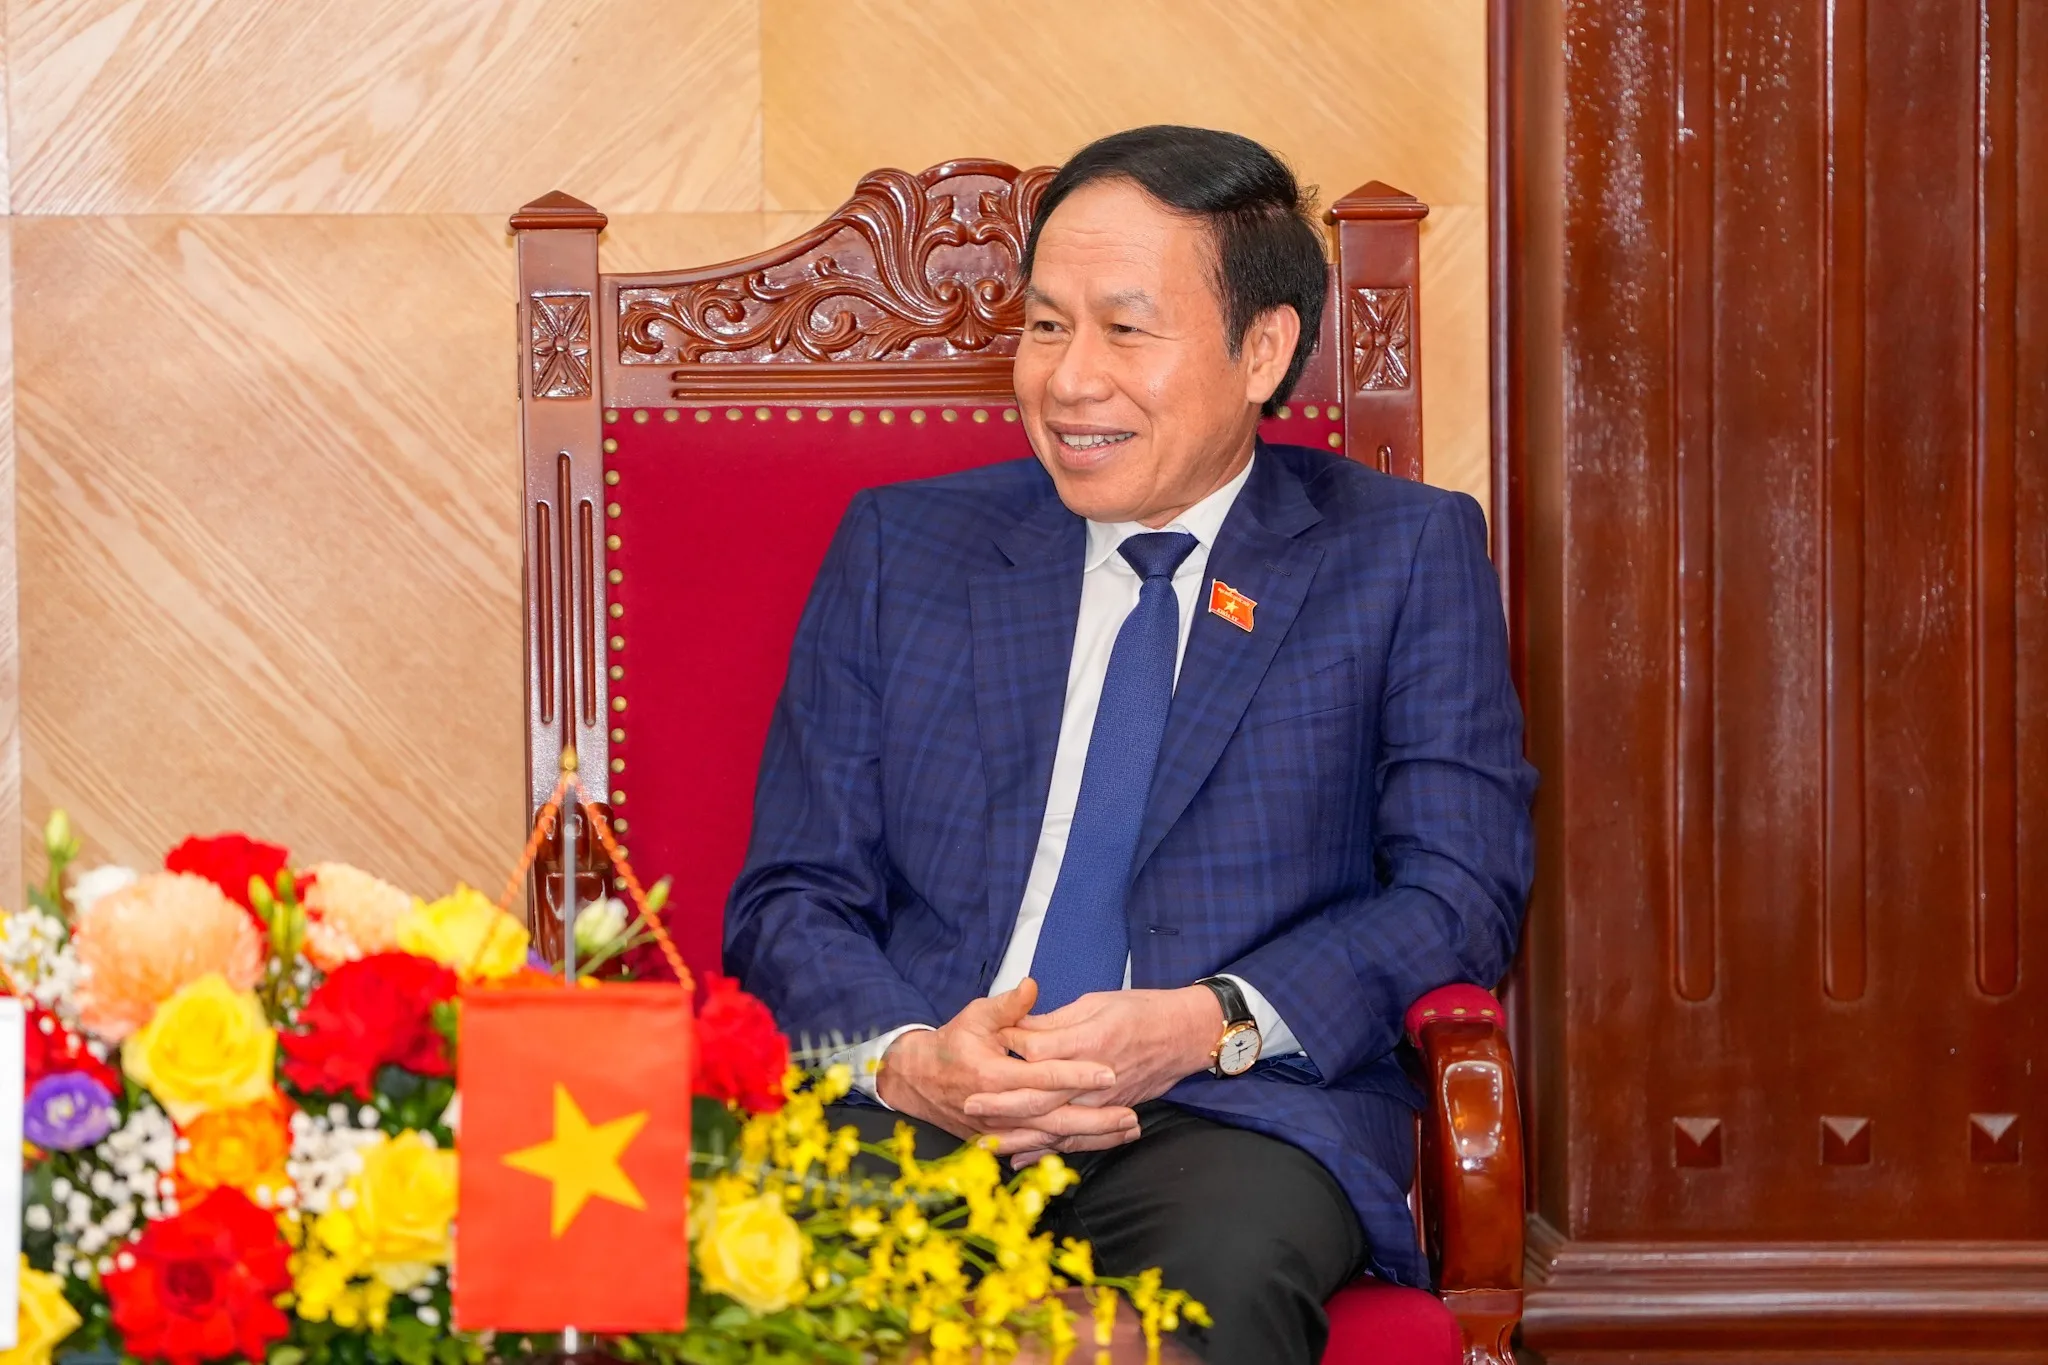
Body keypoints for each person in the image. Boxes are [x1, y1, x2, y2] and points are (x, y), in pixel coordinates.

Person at [724, 125, 1535, 1363]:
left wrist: (1203, 1023)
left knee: (1204, 1301)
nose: (1067, 381)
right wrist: (911, 1059)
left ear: (1261, 350)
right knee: (751, 1281)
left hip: (1232, 1116)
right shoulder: (902, 549)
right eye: (1046, 326)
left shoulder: (1397, 554)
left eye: (1124, 329)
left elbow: (1457, 891)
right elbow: (792, 893)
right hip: (925, 1099)